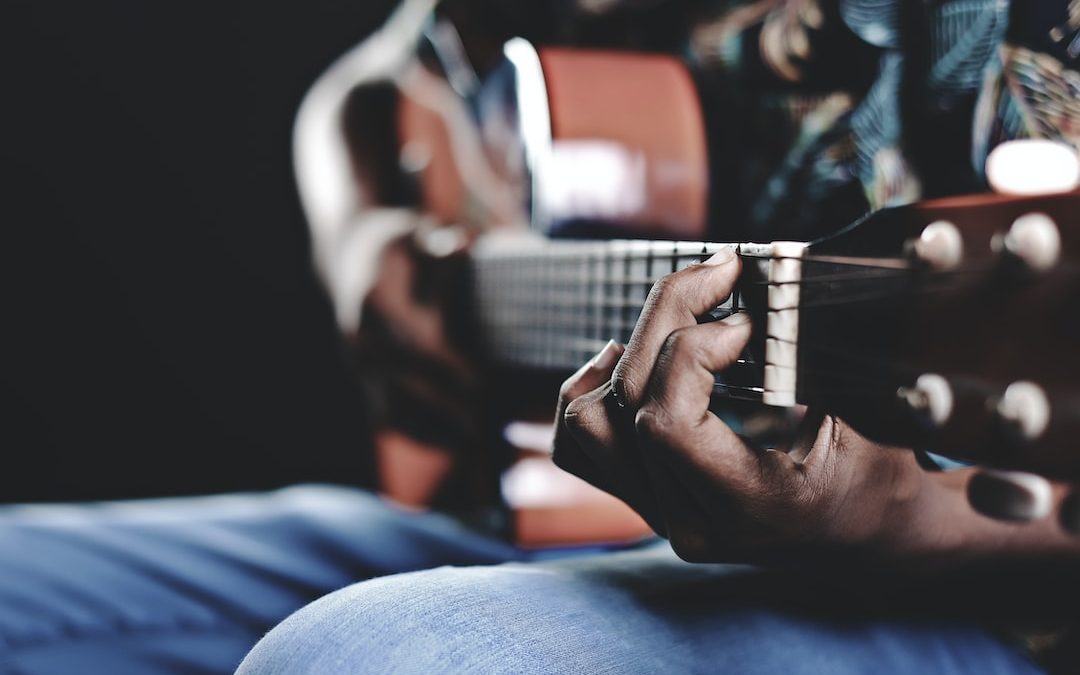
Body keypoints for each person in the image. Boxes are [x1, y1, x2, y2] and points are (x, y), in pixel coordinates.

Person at [236, 0, 1080, 673]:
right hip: (540, 503)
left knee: (362, 656)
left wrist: (903, 520)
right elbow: (368, 80)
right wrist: (360, 233)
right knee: (96, 592)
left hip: (970, 609)